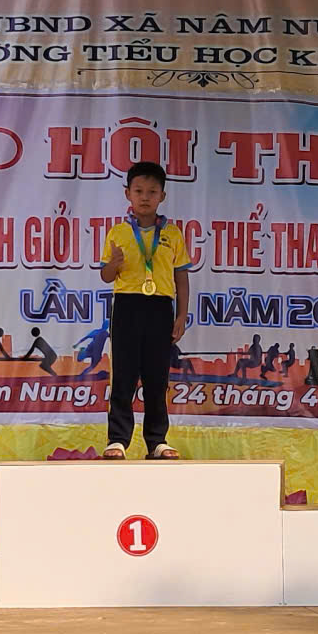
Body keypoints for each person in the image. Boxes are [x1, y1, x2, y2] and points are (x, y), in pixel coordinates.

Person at [98, 160, 192, 459]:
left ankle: (157, 441)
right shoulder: (117, 232)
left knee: (156, 377)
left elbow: (181, 278)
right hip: (127, 306)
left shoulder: (173, 234)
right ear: (128, 193)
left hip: (160, 307)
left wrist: (181, 315)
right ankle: (117, 440)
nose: (145, 197)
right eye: (138, 191)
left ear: (162, 196)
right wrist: (113, 264)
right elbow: (106, 276)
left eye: (152, 191)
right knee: (123, 376)